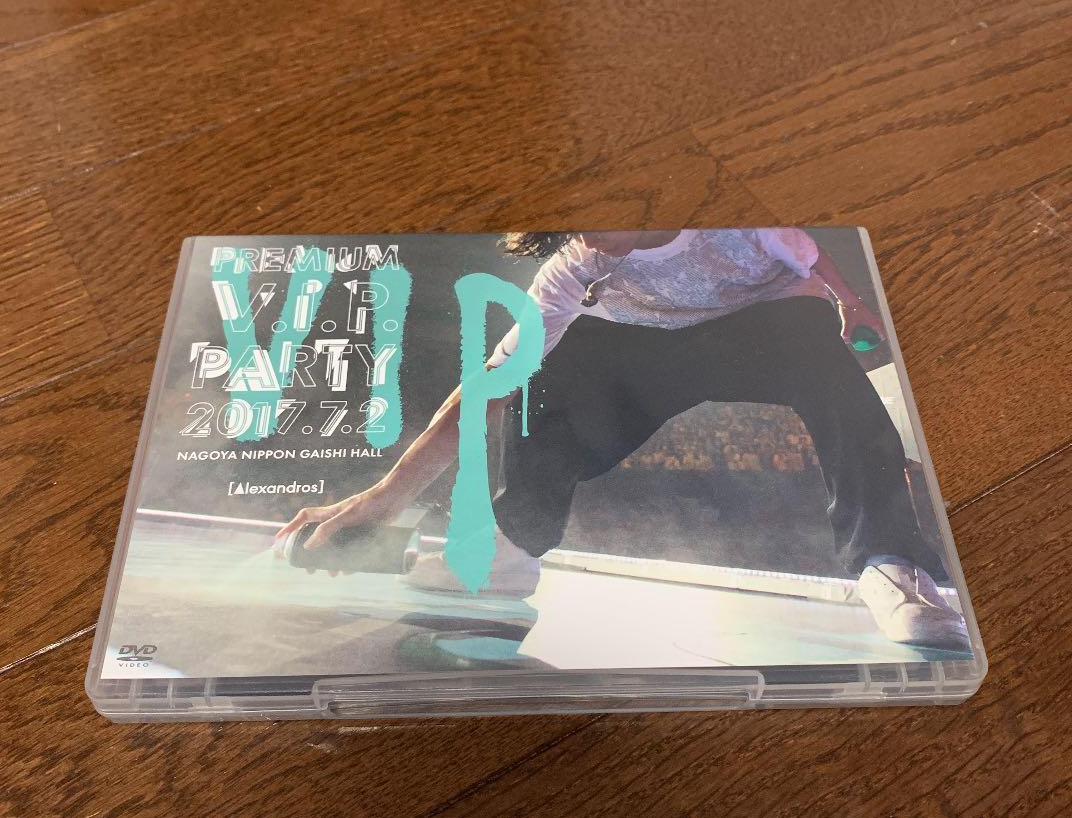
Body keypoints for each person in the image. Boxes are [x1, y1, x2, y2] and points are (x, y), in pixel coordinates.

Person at [275, 229, 969, 652]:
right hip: (651, 357)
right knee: (543, 370)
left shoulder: (737, 223)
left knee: (813, 340)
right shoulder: (574, 266)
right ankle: (509, 549)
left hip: (760, 334)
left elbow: (814, 259)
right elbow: (486, 389)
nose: (592, 243)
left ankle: (890, 563)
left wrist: (852, 305)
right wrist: (381, 499)